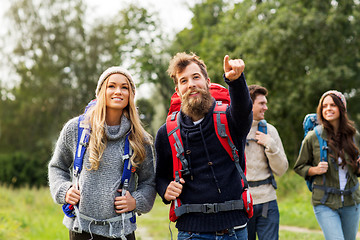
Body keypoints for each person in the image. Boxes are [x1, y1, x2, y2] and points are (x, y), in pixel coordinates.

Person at [48, 66, 156, 240]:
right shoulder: (76, 129)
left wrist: (135, 201)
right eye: (111, 86)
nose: (118, 91)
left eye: (124, 87)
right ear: (100, 92)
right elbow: (57, 167)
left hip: (122, 230)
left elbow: (149, 182)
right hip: (80, 229)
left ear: (131, 95)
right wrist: (64, 190)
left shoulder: (140, 139)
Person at [155, 52, 253, 240]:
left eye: (196, 77)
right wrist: (165, 189)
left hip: (235, 229)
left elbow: (243, 111)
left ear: (208, 82)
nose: (191, 84)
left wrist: (236, 81)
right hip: (191, 232)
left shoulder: (230, 119)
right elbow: (160, 176)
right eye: (183, 81)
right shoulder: (166, 132)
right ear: (177, 91)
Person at [294, 90, 360, 240]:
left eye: (333, 105)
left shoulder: (354, 136)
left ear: (342, 108)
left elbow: (357, 171)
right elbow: (299, 166)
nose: (328, 109)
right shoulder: (313, 136)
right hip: (324, 201)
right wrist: (314, 170)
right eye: (324, 106)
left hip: (352, 201)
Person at [245, 85, 288, 240]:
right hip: (243, 202)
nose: (266, 107)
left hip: (267, 202)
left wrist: (271, 145)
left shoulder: (270, 131)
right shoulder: (235, 130)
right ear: (249, 105)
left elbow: (282, 169)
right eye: (262, 103)